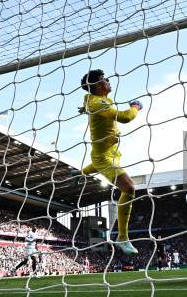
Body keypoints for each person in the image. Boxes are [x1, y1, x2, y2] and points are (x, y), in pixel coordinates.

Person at [78, 69, 142, 255]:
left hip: (112, 152)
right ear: (98, 85)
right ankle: (122, 237)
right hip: (103, 156)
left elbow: (88, 104)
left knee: (98, 166)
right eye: (105, 79)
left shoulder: (94, 100)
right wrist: (135, 106)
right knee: (129, 188)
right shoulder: (98, 102)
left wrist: (85, 108)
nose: (108, 81)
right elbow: (125, 117)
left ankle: (82, 172)